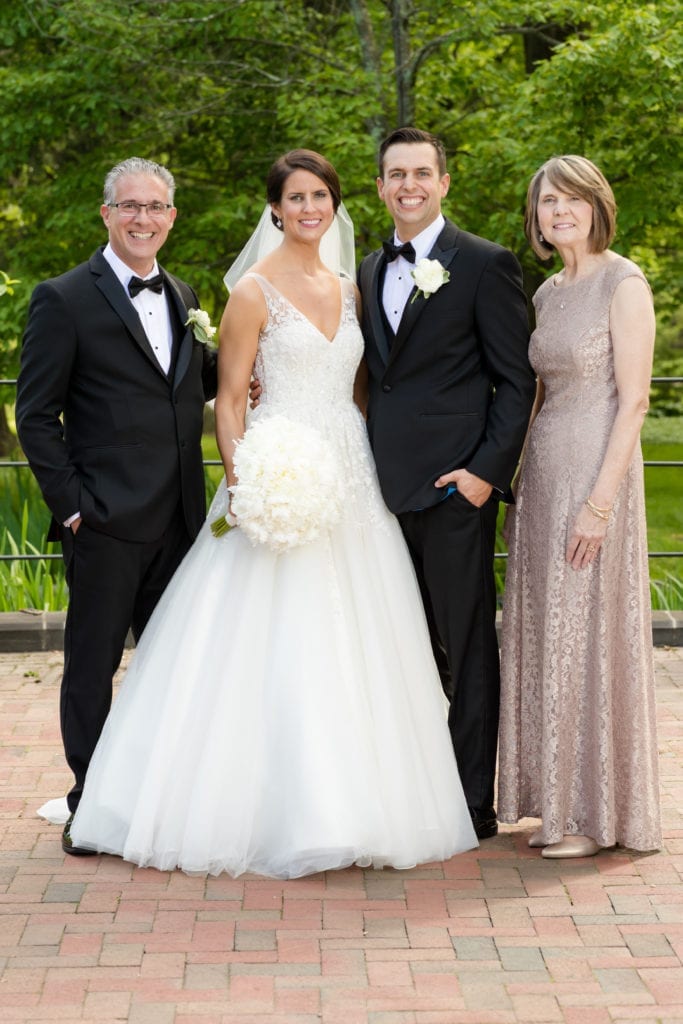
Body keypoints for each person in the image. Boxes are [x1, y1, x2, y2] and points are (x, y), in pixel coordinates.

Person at [68, 149, 478, 878]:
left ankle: (364, 805)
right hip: (272, 473)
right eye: (295, 197)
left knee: (362, 639)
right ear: (275, 209)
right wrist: (247, 480)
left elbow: (360, 394)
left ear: (335, 204)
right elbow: (228, 401)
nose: (309, 208)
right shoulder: (252, 292)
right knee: (270, 639)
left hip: (350, 478)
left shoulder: (353, 289)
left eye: (320, 195)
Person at [15, 157, 218, 855]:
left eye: (155, 206)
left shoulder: (184, 293)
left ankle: (155, 797)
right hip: (104, 521)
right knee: (92, 668)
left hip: (182, 520)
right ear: (106, 214)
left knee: (172, 667)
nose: (142, 218)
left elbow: (195, 382)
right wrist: (73, 507)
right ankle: (90, 806)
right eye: (128, 206)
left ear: (171, 217)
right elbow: (36, 415)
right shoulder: (64, 298)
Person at [357, 127, 536, 840]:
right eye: (396, 173)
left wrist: (483, 477)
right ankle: (412, 786)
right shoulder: (370, 268)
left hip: (451, 489)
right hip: (375, 492)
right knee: (402, 646)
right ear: (379, 186)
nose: (408, 185)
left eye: (421, 173)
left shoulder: (486, 264)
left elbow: (515, 382)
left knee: (463, 649)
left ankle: (470, 801)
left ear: (443, 183)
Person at [497, 155, 661, 858]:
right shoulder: (545, 294)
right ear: (534, 216)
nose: (557, 211)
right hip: (543, 470)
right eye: (546, 202)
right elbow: (534, 391)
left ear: (596, 205)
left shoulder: (623, 283)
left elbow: (636, 401)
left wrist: (598, 504)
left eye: (570, 200)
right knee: (546, 631)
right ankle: (553, 805)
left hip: (598, 468)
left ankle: (595, 818)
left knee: (586, 631)